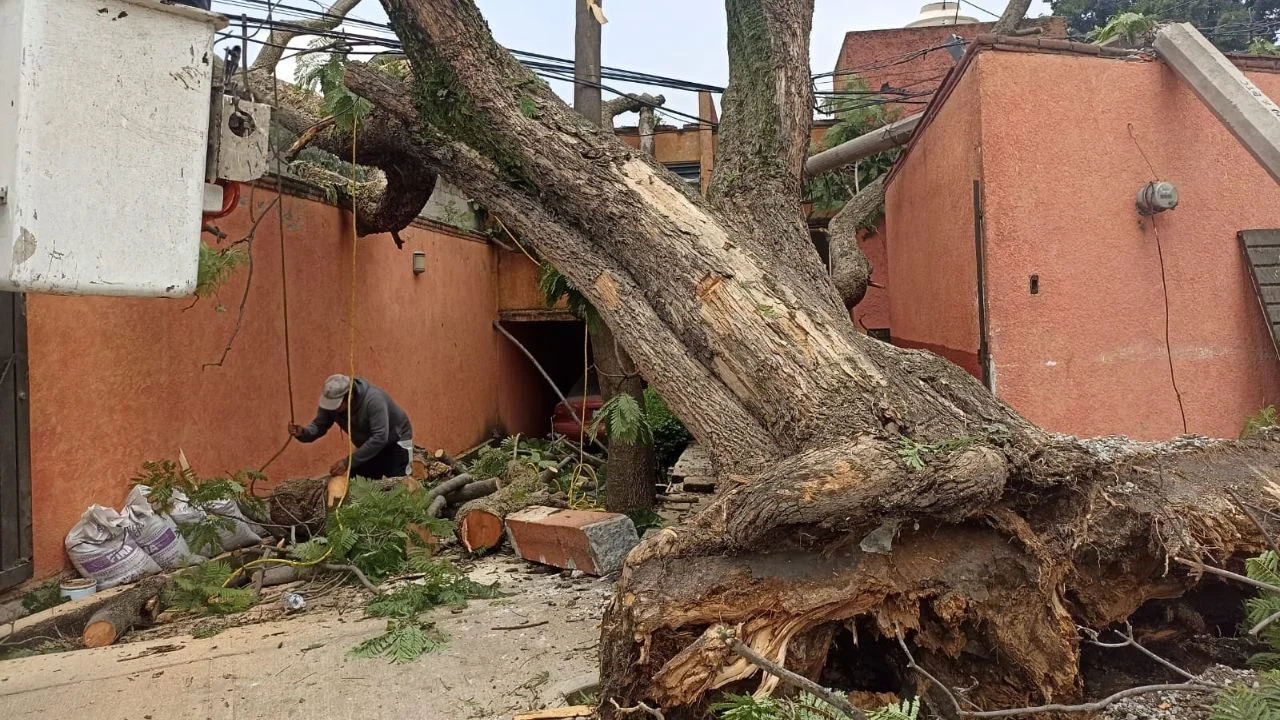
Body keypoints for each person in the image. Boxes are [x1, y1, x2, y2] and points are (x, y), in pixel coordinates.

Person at [289, 374, 414, 479]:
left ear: (350, 396)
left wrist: (347, 462)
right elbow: (319, 425)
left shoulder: (374, 400)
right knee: (359, 485)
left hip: (395, 440)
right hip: (368, 445)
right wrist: (303, 433)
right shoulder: (331, 405)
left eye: (336, 405)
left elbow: (380, 437)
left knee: (398, 488)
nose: (333, 409)